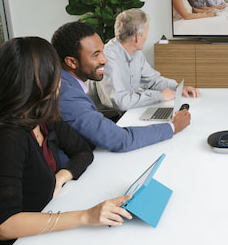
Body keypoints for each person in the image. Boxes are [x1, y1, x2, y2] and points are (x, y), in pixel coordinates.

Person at [0, 37, 132, 245]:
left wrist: (60, 176)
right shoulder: (8, 136)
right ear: (39, 81)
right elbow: (5, 225)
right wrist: (85, 216)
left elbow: (83, 151)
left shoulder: (41, 117)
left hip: (40, 234)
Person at [51, 21, 191, 154]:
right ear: (71, 62)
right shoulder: (67, 95)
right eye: (95, 55)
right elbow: (119, 139)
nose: (104, 60)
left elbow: (151, 79)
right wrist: (173, 127)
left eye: (102, 51)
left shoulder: (67, 83)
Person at [88, 8, 200, 114]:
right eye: (146, 32)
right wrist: (159, 96)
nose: (147, 36)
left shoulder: (136, 52)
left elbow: (152, 80)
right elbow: (119, 101)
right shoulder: (108, 58)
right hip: (106, 119)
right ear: (138, 37)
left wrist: (177, 88)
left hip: (127, 112)